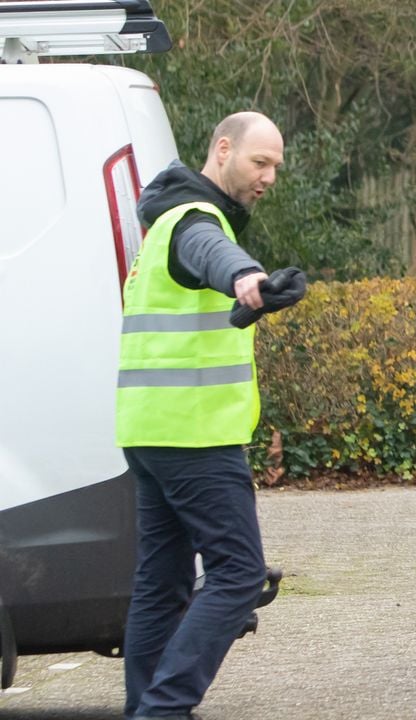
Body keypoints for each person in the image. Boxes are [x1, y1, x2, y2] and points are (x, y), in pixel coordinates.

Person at [116, 111, 299, 720]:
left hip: (149, 431)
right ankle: (162, 711)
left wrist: (249, 289)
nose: (269, 177)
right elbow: (212, 253)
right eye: (259, 162)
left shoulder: (162, 222)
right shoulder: (195, 219)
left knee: (162, 582)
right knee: (239, 574)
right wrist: (245, 275)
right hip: (194, 434)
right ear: (223, 149)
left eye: (275, 166)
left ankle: (146, 708)